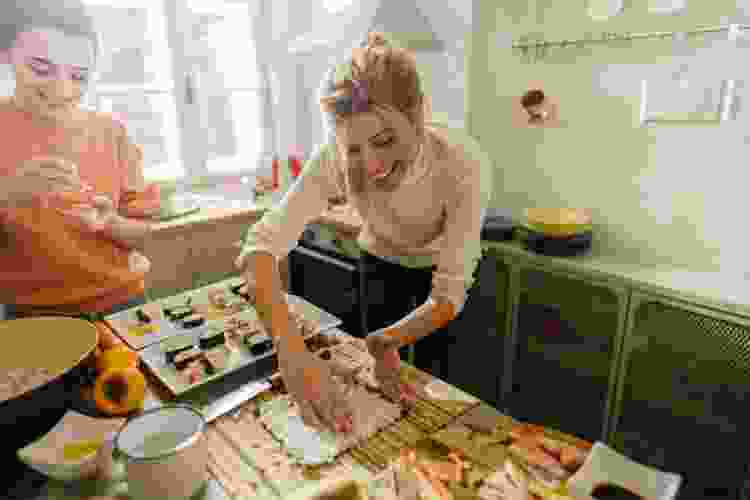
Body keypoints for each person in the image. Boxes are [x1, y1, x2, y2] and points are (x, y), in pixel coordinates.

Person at [236, 32, 492, 433]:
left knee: (436, 395)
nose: (371, 165)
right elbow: (259, 248)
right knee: (374, 393)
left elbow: (449, 293)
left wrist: (391, 339)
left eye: (385, 140)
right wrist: (292, 352)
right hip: (378, 267)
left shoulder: (462, 162)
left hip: (437, 286)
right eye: (354, 149)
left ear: (419, 115)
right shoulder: (333, 160)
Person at [0, 1, 160, 321]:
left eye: (79, 76)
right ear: (6, 55)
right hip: (33, 317)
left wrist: (112, 223)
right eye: (41, 69)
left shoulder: (111, 132)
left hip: (124, 303)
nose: (62, 89)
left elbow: (147, 233)